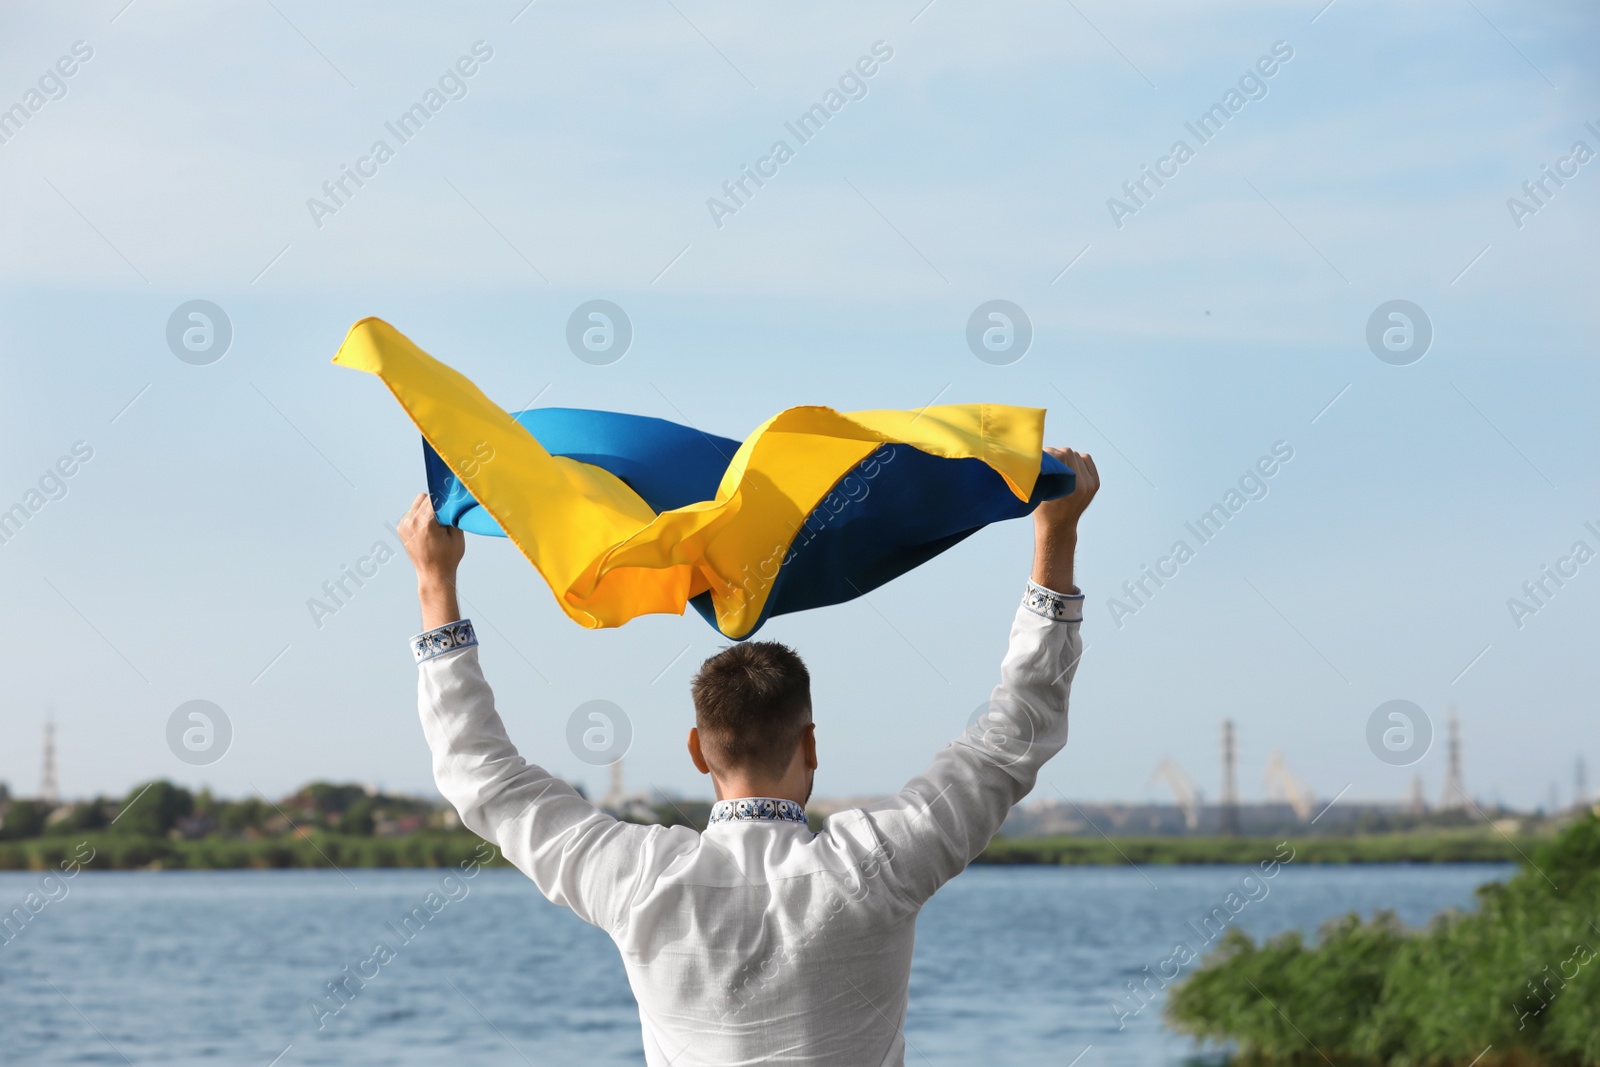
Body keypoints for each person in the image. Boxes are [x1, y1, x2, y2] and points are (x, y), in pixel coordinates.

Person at [399, 446, 1099, 1066]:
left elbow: (478, 773)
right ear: (811, 743)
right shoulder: (880, 863)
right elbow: (1016, 732)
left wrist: (436, 584)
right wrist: (1055, 537)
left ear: (698, 751)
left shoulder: (638, 878)